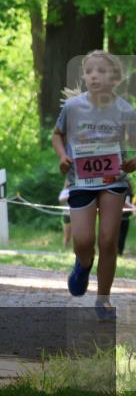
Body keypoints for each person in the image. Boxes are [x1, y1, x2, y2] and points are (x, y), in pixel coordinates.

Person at [53, 50, 135, 322]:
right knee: (84, 240)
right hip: (81, 180)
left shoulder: (125, 110)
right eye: (89, 72)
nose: (93, 76)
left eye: (100, 71)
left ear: (114, 78)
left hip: (114, 180)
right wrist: (63, 156)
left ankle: (104, 299)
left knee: (108, 240)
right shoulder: (73, 107)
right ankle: (83, 264)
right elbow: (57, 135)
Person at [120, 182, 133, 256]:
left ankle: (118, 252)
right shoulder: (128, 192)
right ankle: (120, 252)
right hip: (125, 217)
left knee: (117, 235)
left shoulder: (119, 191)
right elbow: (126, 203)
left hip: (117, 215)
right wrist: (133, 208)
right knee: (122, 235)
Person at [58, 180, 72, 249]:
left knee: (77, 235)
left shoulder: (77, 190)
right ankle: (65, 249)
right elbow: (60, 200)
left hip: (77, 215)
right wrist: (69, 196)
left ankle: (74, 250)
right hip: (67, 215)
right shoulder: (65, 191)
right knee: (67, 236)